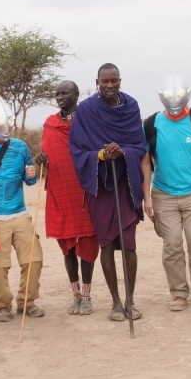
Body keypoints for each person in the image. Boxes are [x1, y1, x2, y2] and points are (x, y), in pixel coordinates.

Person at [69, 63, 146, 322]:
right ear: (97, 82)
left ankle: (130, 300)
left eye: (114, 81)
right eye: (105, 82)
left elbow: (138, 145)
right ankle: (115, 302)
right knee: (108, 244)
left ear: (120, 81)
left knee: (129, 245)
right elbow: (78, 149)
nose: (110, 86)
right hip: (102, 186)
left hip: (125, 183)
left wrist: (123, 151)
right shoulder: (87, 110)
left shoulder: (131, 106)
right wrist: (102, 154)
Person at [141, 74, 191, 311]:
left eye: (178, 96)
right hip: (163, 194)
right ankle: (178, 293)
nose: (174, 101)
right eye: (168, 97)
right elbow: (145, 162)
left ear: (187, 95)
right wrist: (147, 196)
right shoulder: (151, 125)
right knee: (172, 245)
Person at [0, 95, 45, 322]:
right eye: (1, 123)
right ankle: (2, 305)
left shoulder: (20, 146)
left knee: (34, 258)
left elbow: (29, 178)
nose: (6, 128)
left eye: (8, 123)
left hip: (19, 212)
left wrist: (31, 175)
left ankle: (27, 302)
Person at [34, 80, 99, 315]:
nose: (60, 97)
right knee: (68, 245)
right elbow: (46, 155)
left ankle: (88, 295)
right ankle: (76, 295)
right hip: (60, 190)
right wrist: (40, 159)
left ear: (76, 95)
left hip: (84, 190)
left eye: (65, 93)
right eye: (57, 94)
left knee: (88, 242)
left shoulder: (88, 119)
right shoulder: (50, 125)